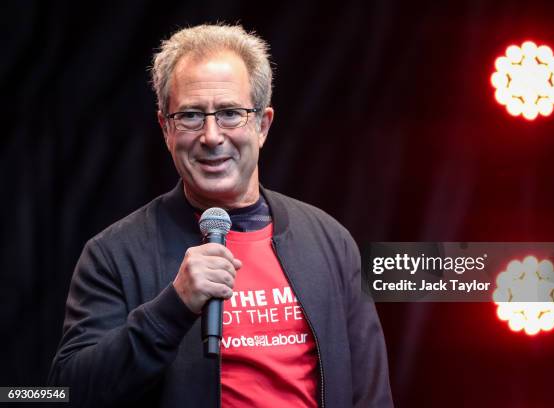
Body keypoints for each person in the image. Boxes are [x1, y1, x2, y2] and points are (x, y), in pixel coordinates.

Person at [49, 23, 392, 407]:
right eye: (191, 116)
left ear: (262, 125)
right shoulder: (114, 254)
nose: (211, 136)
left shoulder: (329, 242)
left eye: (231, 113)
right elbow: (66, 393)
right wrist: (173, 307)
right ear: (166, 129)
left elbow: (371, 394)